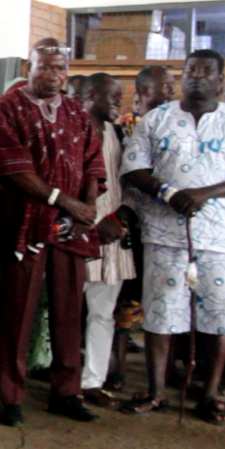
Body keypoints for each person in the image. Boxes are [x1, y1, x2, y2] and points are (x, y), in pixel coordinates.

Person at [0, 37, 105, 428]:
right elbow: (12, 169)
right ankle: (11, 397)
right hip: (25, 224)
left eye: (60, 68)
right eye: (45, 66)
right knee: (17, 311)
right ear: (28, 68)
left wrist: (87, 206)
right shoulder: (7, 108)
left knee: (69, 311)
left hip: (72, 228)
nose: (54, 75)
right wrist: (64, 201)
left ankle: (66, 393)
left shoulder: (75, 111)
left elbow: (93, 162)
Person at [120, 49, 225, 425]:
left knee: (220, 316)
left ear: (220, 80)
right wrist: (168, 193)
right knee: (160, 313)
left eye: (206, 71)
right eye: (191, 69)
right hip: (164, 234)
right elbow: (133, 169)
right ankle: (156, 391)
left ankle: (210, 393)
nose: (197, 75)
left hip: (221, 237)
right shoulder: (157, 118)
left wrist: (204, 193)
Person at [76, 73, 136, 409]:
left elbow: (127, 185)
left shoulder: (117, 134)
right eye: (111, 95)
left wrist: (120, 217)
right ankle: (64, 379)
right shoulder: (72, 132)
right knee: (66, 312)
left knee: (102, 314)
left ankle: (92, 381)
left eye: (119, 96)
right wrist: (91, 226)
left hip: (112, 237)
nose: (117, 102)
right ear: (88, 95)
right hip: (76, 235)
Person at [117, 65, 175, 136]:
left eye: (173, 85)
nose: (172, 90)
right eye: (165, 85)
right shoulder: (125, 125)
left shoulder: (175, 123)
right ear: (145, 90)